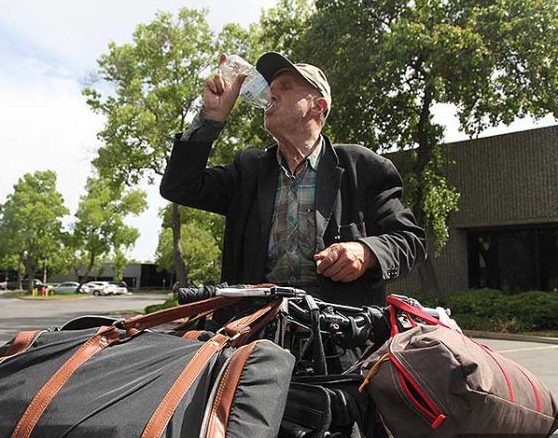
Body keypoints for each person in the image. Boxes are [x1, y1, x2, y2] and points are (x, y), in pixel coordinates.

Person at [160, 52, 426, 307]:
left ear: (318, 107)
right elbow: (180, 186)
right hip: (256, 331)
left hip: (338, 336)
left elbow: (410, 240)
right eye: (271, 85)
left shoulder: (363, 167)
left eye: (285, 86)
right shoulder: (248, 170)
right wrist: (211, 120)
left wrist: (366, 252)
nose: (270, 92)